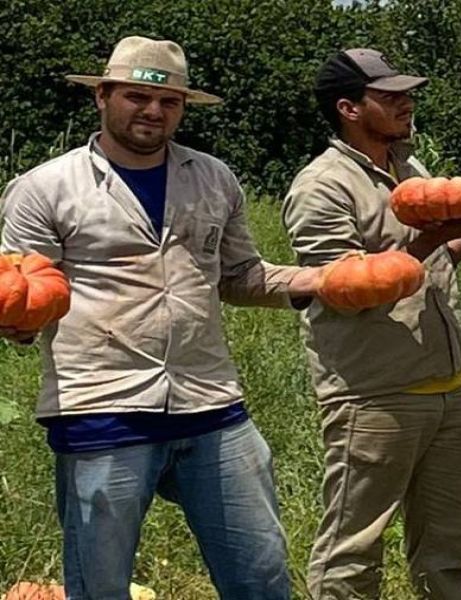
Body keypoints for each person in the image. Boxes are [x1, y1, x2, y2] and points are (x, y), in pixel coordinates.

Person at [0, 36, 326, 599]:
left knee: (262, 573)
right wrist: (18, 326)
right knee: (100, 586)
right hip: (102, 408)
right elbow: (24, 289)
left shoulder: (213, 178)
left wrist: (318, 281)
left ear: (181, 108)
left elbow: (239, 274)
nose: (153, 111)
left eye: (169, 101)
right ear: (102, 96)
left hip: (211, 404)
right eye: (136, 96)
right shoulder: (45, 188)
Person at [281, 48, 461, 600]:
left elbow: (434, 263)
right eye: (390, 95)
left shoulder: (411, 169)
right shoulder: (322, 186)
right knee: (354, 546)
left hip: (447, 388)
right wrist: (430, 236)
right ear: (349, 108)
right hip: (374, 395)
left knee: (449, 546)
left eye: (407, 92)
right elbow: (348, 291)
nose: (407, 103)